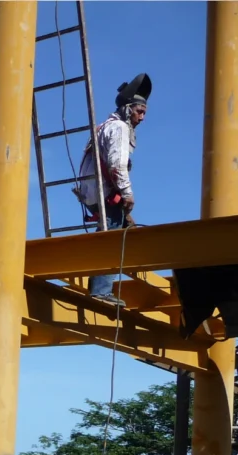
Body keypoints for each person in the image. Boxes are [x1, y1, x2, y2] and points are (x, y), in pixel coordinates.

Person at [75, 73, 152, 306]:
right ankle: (101, 290)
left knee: (111, 230)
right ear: (128, 109)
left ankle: (96, 284)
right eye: (140, 111)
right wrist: (127, 193)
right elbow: (117, 164)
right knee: (113, 236)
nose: (142, 117)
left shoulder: (104, 127)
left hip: (93, 191)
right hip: (103, 191)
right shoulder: (119, 128)